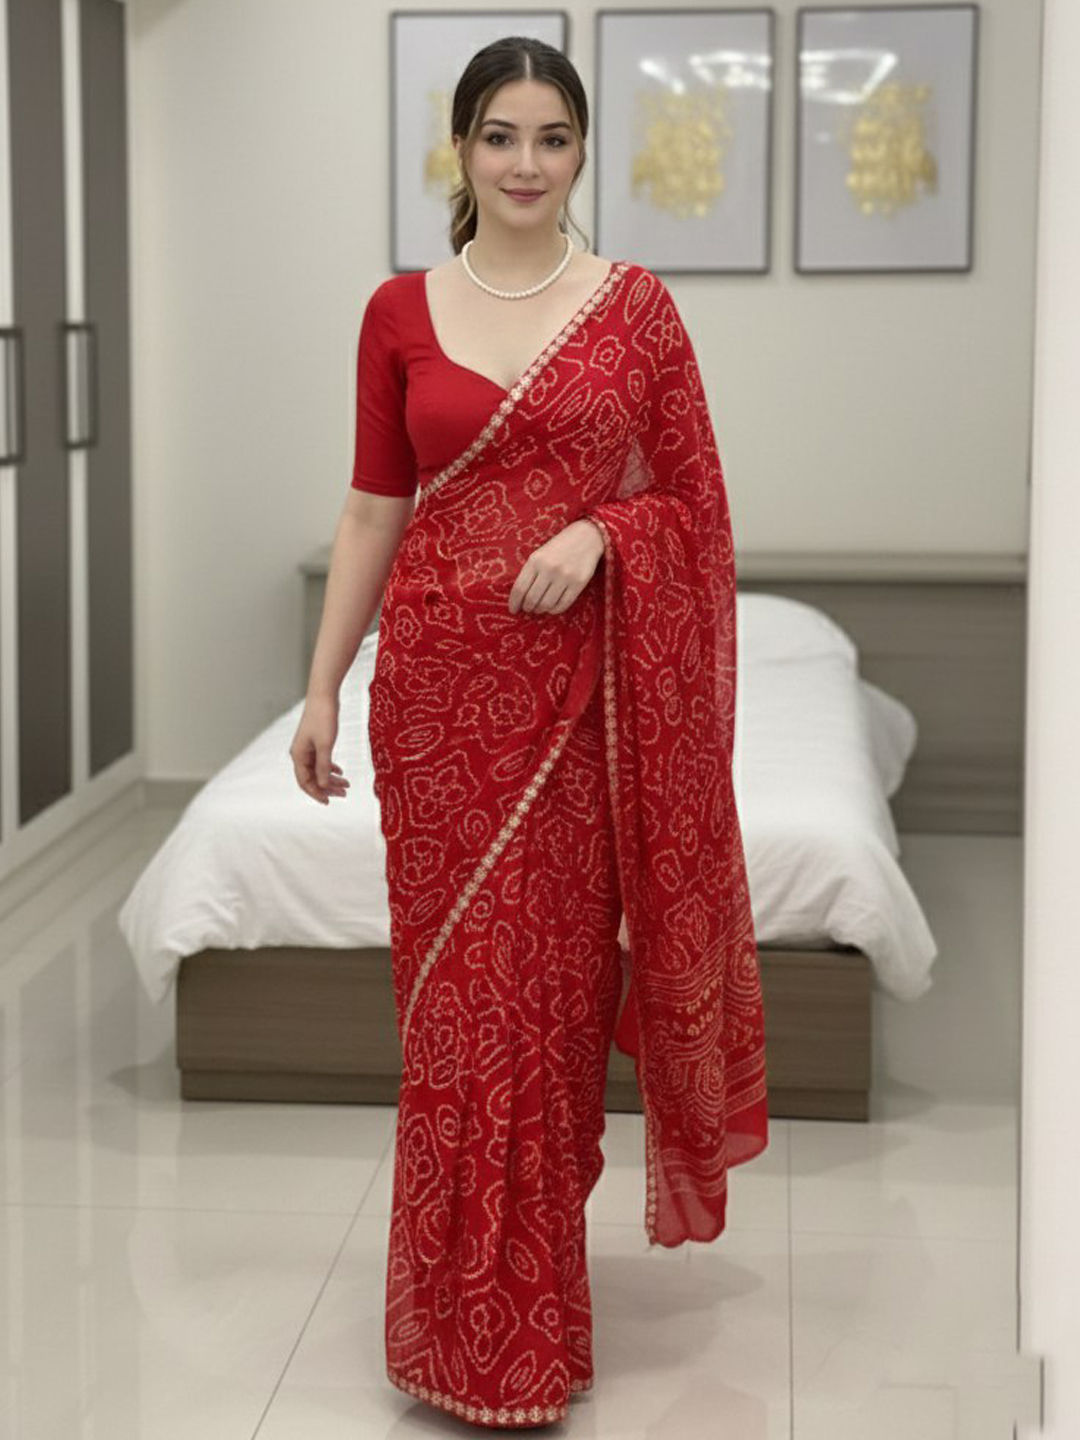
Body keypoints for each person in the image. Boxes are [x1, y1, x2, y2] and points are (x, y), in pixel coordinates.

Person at [289, 33, 769, 1432]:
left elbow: (695, 509)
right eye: (499, 135)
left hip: (578, 712)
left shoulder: (635, 312)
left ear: (580, 152)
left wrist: (603, 532)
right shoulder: (398, 312)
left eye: (552, 137)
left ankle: (525, 1324)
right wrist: (321, 687)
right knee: (455, 1014)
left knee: (542, 1017)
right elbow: (372, 507)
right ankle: (455, 1330)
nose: (525, 163)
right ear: (461, 148)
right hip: (438, 703)